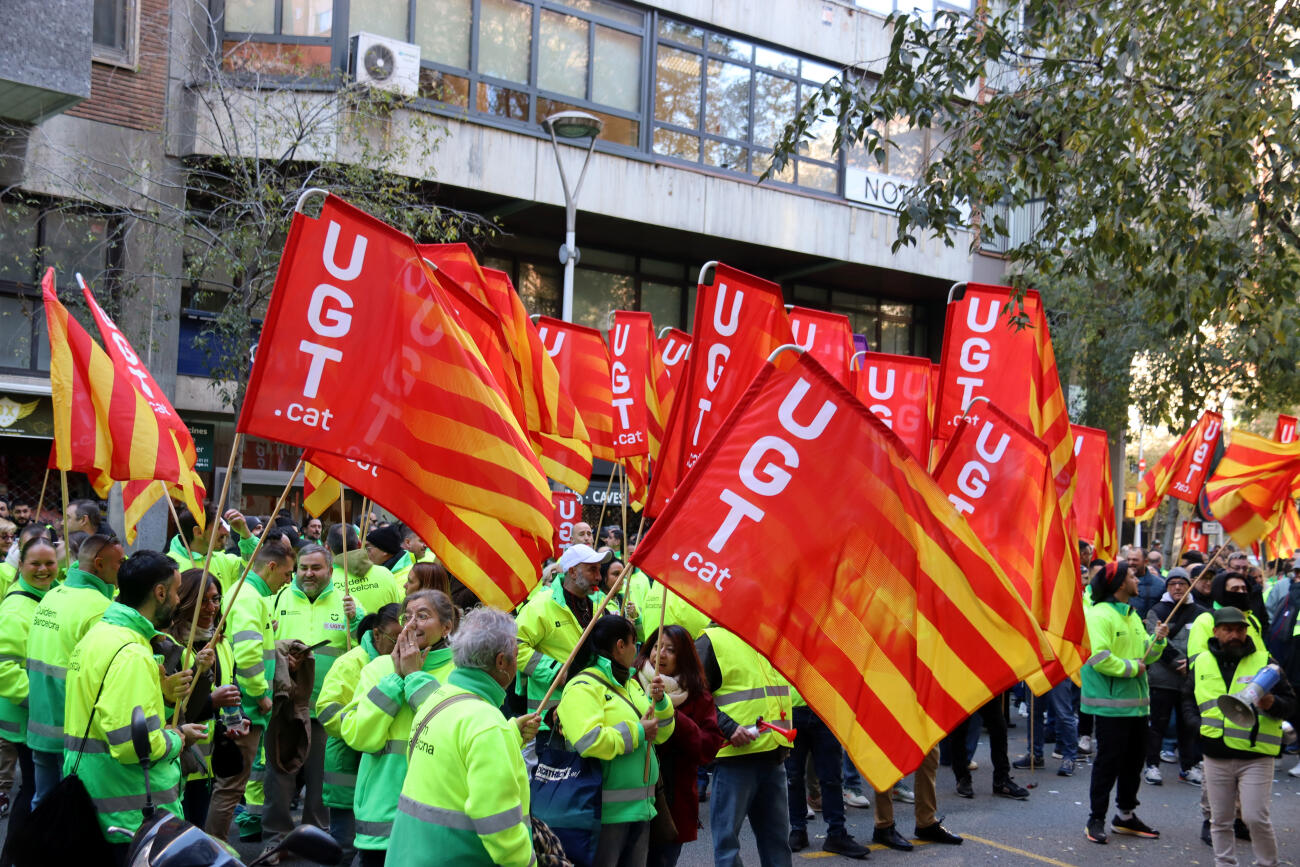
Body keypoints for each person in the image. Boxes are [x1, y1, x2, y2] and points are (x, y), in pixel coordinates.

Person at [62, 550, 208, 860]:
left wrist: (166, 698)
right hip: (129, 813)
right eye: (176, 591)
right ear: (159, 592)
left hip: (97, 798)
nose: (179, 601)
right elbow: (131, 744)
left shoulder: (98, 636)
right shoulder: (132, 653)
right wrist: (178, 738)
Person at [387, 607, 535, 866]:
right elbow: (498, 825)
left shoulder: (438, 699)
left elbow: (452, 765)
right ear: (501, 662)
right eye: (516, 654)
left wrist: (509, 734)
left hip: (410, 854)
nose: (517, 661)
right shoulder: (487, 724)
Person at [342, 591, 458, 866]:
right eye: (407, 617)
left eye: (423, 616)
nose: (412, 623)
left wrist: (415, 676)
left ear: (447, 627)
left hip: (436, 817)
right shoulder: (379, 668)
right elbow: (359, 737)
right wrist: (395, 679)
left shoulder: (460, 671)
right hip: (382, 818)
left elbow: (452, 732)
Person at [263, 543, 361, 854]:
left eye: (316, 568)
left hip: (327, 708)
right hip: (285, 705)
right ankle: (275, 842)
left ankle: (314, 841)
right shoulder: (277, 599)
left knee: (321, 784)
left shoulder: (348, 605)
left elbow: (364, 649)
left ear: (331, 571)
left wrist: (357, 620)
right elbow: (264, 646)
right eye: (303, 567)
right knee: (279, 779)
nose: (308, 573)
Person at [557, 614, 675, 866]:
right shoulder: (583, 686)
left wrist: (662, 702)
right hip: (604, 814)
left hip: (641, 808)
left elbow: (662, 734)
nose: (638, 648)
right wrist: (638, 732)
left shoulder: (629, 685)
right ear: (620, 646)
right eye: (635, 642)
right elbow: (589, 741)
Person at [24, 531, 123, 806]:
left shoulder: (53, 594)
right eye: (119, 562)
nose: (123, 568)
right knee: (71, 816)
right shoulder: (100, 608)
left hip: (41, 719)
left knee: (42, 804)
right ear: (100, 564)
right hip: (74, 729)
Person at [1193, 606, 1296, 867]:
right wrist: (1196, 726)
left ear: (1247, 631)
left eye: (1239, 629)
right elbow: (1186, 699)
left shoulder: (1266, 662)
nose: (1234, 634)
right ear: (1216, 632)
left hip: (1256, 755)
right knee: (1220, 819)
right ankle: (1224, 863)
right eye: (1228, 629)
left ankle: (1267, 863)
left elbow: (1292, 704)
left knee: (1255, 818)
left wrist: (1273, 703)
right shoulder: (1202, 661)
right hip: (1216, 754)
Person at [205, 542, 295, 841]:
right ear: (270, 567)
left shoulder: (246, 594)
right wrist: (261, 695)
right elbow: (246, 655)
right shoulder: (249, 598)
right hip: (245, 708)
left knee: (228, 785)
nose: (288, 581)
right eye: (286, 573)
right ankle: (215, 848)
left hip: (240, 704)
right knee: (231, 788)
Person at [1082, 560, 1168, 844]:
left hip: (1138, 706)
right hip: (1110, 706)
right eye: (1132, 575)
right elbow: (1098, 658)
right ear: (1120, 583)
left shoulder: (1132, 614)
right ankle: (1095, 819)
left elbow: (1147, 656)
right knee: (1108, 764)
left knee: (1133, 763)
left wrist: (1159, 641)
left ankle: (1126, 816)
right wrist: (1132, 668)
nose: (1138, 580)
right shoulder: (1099, 614)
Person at [696, 624, 794, 867]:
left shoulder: (770, 636)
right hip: (734, 761)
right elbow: (694, 695)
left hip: (773, 756)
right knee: (728, 847)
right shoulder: (712, 640)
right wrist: (728, 727)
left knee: (778, 844)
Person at [154, 569, 243, 829]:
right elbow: (173, 711)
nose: (211, 607)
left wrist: (238, 720)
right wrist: (212, 700)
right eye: (203, 600)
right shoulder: (171, 646)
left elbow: (232, 685)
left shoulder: (222, 642)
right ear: (185, 601)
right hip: (182, 756)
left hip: (209, 757)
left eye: (216, 599)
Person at [316, 603, 401, 867]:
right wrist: (358, 731)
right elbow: (326, 710)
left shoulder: (408, 664)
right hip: (348, 767)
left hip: (384, 776)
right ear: (377, 634)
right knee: (344, 847)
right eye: (395, 638)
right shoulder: (351, 662)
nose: (402, 644)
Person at [633, 625, 725, 867]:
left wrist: (669, 712)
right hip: (629, 798)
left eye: (670, 650)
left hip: (673, 801)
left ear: (683, 657)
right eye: (656, 646)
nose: (660, 654)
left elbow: (707, 748)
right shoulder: (630, 683)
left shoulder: (697, 695)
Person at [0, 537, 58, 866]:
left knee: (36, 789)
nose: (43, 570)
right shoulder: (15, 608)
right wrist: (40, 701)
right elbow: (4, 668)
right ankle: (14, 857)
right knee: (34, 789)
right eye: (35, 563)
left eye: (49, 563)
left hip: (38, 717)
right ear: (20, 565)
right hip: (27, 717)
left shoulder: (49, 596)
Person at [516, 543, 613, 718]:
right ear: (573, 572)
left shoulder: (599, 603)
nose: (599, 577)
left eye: (599, 570)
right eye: (592, 570)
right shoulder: (541, 604)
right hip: (551, 717)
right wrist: (555, 671)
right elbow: (513, 645)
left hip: (592, 712)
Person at [783, 686, 869, 858]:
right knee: (794, 778)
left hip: (825, 708)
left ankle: (836, 833)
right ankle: (798, 829)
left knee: (831, 777)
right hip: (792, 709)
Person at [1143, 567, 1205, 786]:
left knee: (1188, 726)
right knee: (1157, 724)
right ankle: (1152, 765)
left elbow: (1206, 642)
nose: (1178, 587)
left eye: (1182, 583)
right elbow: (1154, 638)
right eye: (1173, 583)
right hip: (1162, 679)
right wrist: (1175, 662)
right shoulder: (1157, 610)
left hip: (1190, 678)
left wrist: (1191, 664)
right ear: (1167, 587)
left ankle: (1188, 767)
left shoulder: (1201, 613)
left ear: (1189, 586)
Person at [949, 693, 1028, 799]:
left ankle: (1001, 780)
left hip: (982, 686)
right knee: (959, 730)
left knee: (999, 727)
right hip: (960, 686)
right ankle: (962, 777)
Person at [168, 505, 257, 594]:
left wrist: (246, 534)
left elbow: (257, 566)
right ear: (198, 532)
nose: (226, 532)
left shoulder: (224, 560)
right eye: (218, 527)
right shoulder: (170, 567)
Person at [328, 523, 402, 618]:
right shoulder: (385, 573)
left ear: (328, 548)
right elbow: (397, 612)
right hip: (381, 631)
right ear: (359, 544)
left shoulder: (327, 580)